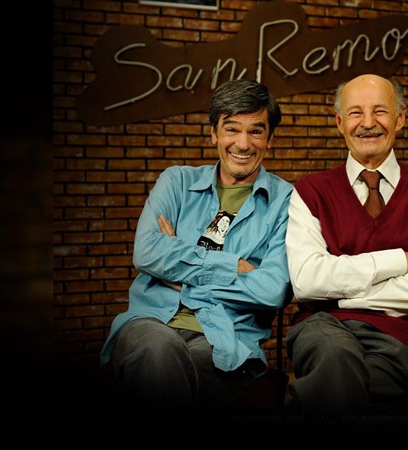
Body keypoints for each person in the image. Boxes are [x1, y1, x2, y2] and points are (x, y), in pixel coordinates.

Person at [98, 79, 293, 414]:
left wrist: (176, 263)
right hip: (151, 321)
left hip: (227, 339)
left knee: (165, 371)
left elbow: (273, 290)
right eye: (231, 129)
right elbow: (146, 252)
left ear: (270, 139)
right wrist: (234, 266)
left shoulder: (285, 202)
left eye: (256, 131)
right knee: (159, 349)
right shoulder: (176, 182)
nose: (243, 143)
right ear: (214, 133)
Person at [284, 74, 408, 416]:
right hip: (321, 328)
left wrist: (339, 295)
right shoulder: (309, 192)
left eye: (380, 111)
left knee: (331, 382)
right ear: (339, 122)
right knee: (335, 356)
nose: (368, 123)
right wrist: (398, 261)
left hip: (402, 335)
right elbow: (306, 281)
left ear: (400, 118)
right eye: (355, 113)